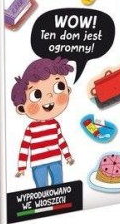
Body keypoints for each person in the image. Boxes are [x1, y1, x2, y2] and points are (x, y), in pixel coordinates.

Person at [11, 57, 75, 188]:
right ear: (22, 107)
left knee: (58, 185)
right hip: (38, 163)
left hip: (56, 160)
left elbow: (60, 140)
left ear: (67, 91)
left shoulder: (55, 124)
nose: (49, 96)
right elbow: (24, 147)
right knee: (41, 188)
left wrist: (68, 156)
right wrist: (21, 167)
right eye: (36, 95)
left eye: (59, 87)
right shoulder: (31, 128)